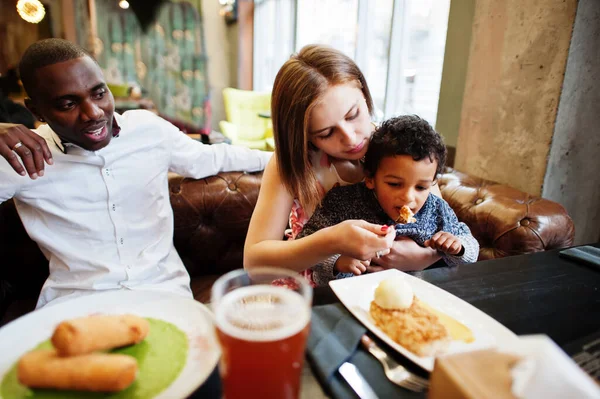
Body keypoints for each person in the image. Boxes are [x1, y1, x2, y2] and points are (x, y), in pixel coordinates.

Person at [0, 39, 272, 308]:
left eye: (99, 93)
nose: (93, 113)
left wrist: (290, 159)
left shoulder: (148, 130)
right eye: (68, 104)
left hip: (163, 294)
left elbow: (212, 157)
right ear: (36, 110)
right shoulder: (20, 156)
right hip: (76, 305)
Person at [244, 45, 442, 286]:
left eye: (353, 115)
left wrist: (424, 257)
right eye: (326, 133)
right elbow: (255, 265)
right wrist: (332, 240)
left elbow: (442, 222)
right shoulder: (294, 164)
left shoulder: (402, 147)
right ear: (304, 136)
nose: (350, 138)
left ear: (363, 91)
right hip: (319, 295)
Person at [297, 115, 479, 285]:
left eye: (421, 187)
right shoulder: (344, 202)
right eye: (394, 184)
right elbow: (308, 243)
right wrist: (337, 262)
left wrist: (457, 247)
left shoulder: (436, 209)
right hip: (353, 296)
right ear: (370, 178)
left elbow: (470, 248)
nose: (408, 198)